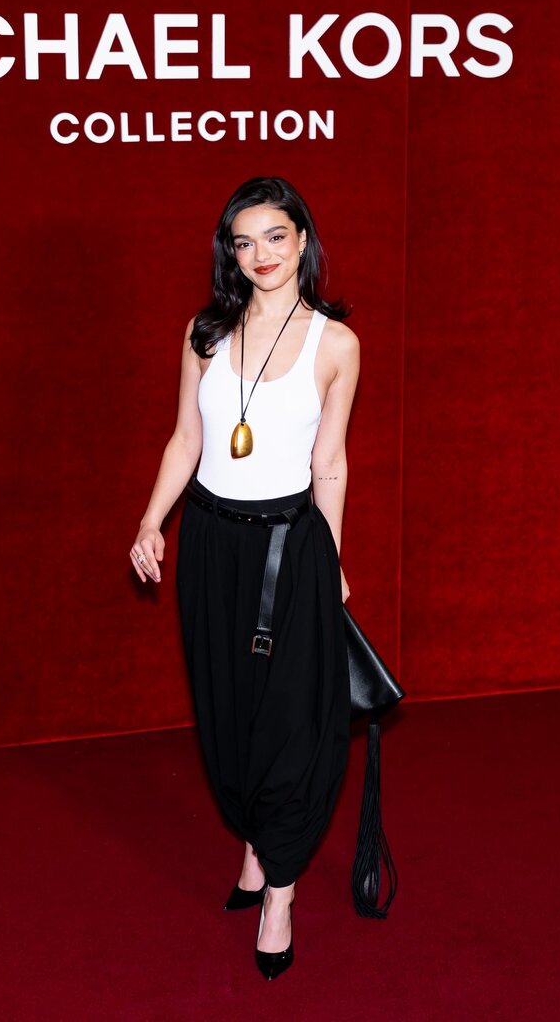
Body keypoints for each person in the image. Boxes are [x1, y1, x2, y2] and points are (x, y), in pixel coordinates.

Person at [130, 177, 359, 981]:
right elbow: (185, 439)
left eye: (274, 236)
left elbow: (330, 462)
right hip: (210, 545)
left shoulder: (335, 344)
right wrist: (151, 521)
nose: (259, 254)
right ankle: (256, 847)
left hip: (290, 548)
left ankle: (280, 895)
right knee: (228, 711)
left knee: (290, 723)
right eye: (243, 241)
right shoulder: (205, 333)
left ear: (303, 240)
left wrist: (331, 563)